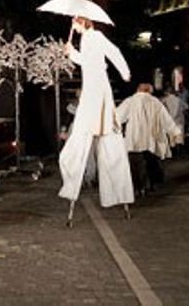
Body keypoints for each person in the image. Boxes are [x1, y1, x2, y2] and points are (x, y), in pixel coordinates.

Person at [59, 16, 133, 226]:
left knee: (108, 140)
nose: (73, 26)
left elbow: (113, 52)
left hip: (98, 89)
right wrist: (71, 53)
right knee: (81, 140)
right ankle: (74, 183)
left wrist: (124, 71)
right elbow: (86, 61)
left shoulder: (96, 36)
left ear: (83, 23)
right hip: (91, 88)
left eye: (75, 23)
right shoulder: (85, 40)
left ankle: (118, 194)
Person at [117, 83, 182, 193]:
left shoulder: (130, 101)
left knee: (135, 164)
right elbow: (165, 119)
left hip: (134, 139)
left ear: (138, 90)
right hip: (151, 139)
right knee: (150, 162)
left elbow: (118, 117)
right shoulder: (155, 102)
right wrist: (175, 131)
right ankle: (148, 185)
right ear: (149, 91)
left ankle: (137, 187)